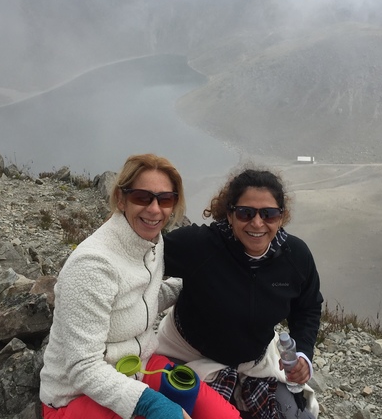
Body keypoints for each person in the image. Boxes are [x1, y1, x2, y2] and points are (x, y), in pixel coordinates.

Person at [39, 153, 241, 419]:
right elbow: (83, 366)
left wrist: (195, 283)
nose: (155, 209)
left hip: (141, 366)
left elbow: (141, 302)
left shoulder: (153, 244)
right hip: (76, 394)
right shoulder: (92, 265)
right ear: (121, 199)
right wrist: (151, 404)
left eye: (165, 199)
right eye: (142, 197)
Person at [159, 168, 323, 419]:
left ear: (281, 217)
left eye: (268, 214)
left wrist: (302, 354)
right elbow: (143, 258)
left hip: (255, 363)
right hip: (186, 355)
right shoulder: (200, 246)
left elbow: (308, 307)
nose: (257, 223)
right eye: (246, 213)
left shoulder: (296, 257)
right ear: (230, 214)